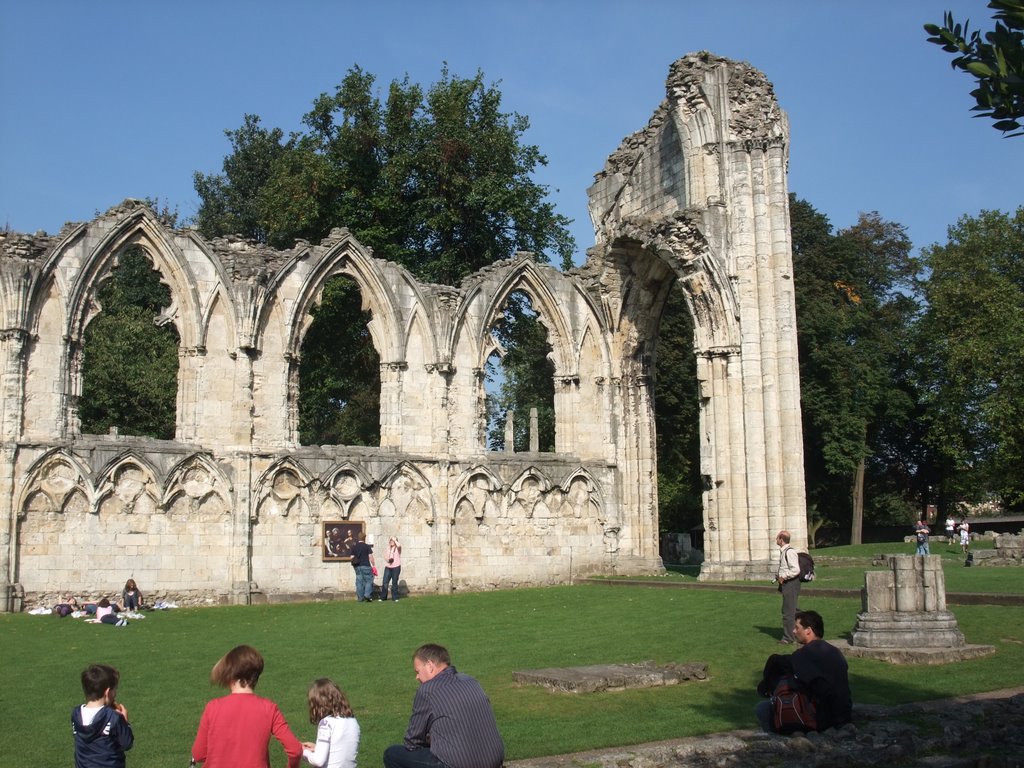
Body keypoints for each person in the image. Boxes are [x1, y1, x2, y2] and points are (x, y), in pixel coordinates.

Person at [383, 643, 504, 768]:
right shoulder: (471, 681)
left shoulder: (427, 690)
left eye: (418, 671)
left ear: (430, 665)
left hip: (458, 764)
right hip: (493, 760)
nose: (417, 677)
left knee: (391, 754)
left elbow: (412, 742)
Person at [191, 644, 302, 768]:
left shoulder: (213, 707)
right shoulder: (269, 708)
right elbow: (295, 750)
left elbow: (199, 754)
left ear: (229, 672)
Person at [755, 609, 852, 733]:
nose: (794, 631)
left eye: (797, 628)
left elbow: (797, 682)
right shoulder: (835, 652)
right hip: (842, 715)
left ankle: (776, 741)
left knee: (762, 708)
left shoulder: (805, 654)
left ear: (808, 631)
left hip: (821, 718)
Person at [72, 663, 134, 768]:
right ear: (108, 692)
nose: (115, 693)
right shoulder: (114, 717)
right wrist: (125, 722)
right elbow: (127, 743)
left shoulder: (76, 713)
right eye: (115, 689)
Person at [301, 678, 360, 768]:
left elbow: (318, 761)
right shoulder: (353, 721)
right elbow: (340, 751)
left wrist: (302, 751)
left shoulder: (326, 723)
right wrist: (317, 748)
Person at [772, 530, 801, 645]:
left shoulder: (789, 552)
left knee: (788, 612)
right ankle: (808, 622)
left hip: (791, 584)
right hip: (787, 584)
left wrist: (784, 576)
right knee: (793, 609)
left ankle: (788, 638)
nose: (776, 540)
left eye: (777, 538)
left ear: (781, 539)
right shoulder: (784, 552)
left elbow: (796, 570)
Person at [349, 532, 376, 602]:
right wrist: (374, 566)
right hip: (366, 565)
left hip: (357, 566)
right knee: (369, 580)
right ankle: (367, 595)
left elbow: (351, 557)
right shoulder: (367, 546)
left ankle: (360, 598)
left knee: (359, 582)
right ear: (364, 538)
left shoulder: (354, 546)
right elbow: (370, 557)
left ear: (358, 538)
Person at [380, 536, 402, 602]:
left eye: (393, 541)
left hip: (396, 567)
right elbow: (385, 556)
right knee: (385, 582)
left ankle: (395, 597)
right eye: (391, 540)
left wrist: (395, 540)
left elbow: (399, 545)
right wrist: (388, 559)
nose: (391, 541)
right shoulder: (388, 548)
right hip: (388, 567)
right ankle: (383, 597)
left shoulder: (398, 548)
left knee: (394, 582)